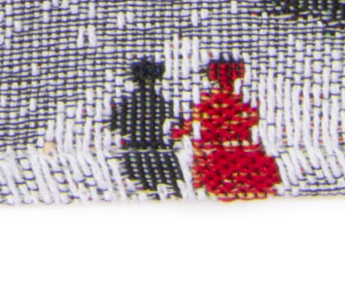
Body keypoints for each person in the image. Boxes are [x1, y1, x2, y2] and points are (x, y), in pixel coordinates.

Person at [174, 57, 283, 200]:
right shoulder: (240, 103)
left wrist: (180, 132)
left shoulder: (209, 102)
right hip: (234, 152)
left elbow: (190, 125)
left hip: (218, 153)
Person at [106, 58, 181, 197]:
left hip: (136, 149)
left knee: (141, 175)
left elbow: (117, 123)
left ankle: (151, 190)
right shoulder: (161, 100)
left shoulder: (130, 101)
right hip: (156, 149)